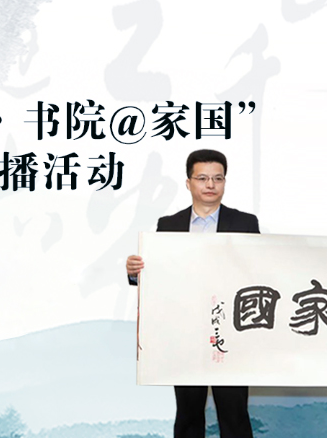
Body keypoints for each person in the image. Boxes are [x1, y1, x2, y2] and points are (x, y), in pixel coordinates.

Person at [125, 149, 260, 438]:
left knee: (234, 414)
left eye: (218, 178)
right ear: (188, 183)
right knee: (188, 414)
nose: (210, 185)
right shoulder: (168, 225)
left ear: (225, 182)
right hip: (184, 334)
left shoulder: (246, 223)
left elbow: (257, 273)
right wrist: (136, 272)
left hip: (230, 334)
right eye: (202, 178)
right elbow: (160, 278)